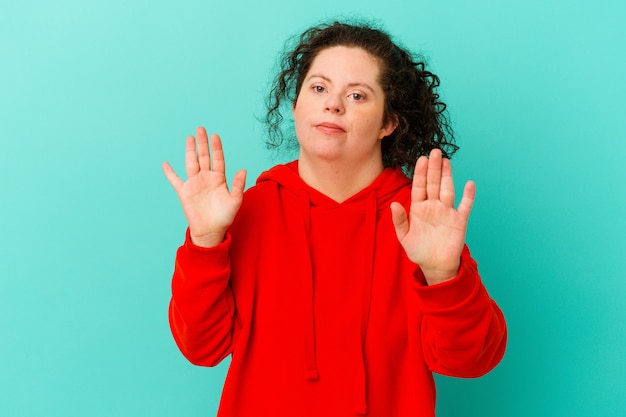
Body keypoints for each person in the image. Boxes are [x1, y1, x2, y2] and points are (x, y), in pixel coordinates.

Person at [162, 20, 507, 417]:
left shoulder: (420, 220)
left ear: (389, 122)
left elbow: (472, 360)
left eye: (358, 95)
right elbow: (201, 347)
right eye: (319, 87)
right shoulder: (246, 211)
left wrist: (444, 275)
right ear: (295, 105)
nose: (333, 104)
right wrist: (205, 241)